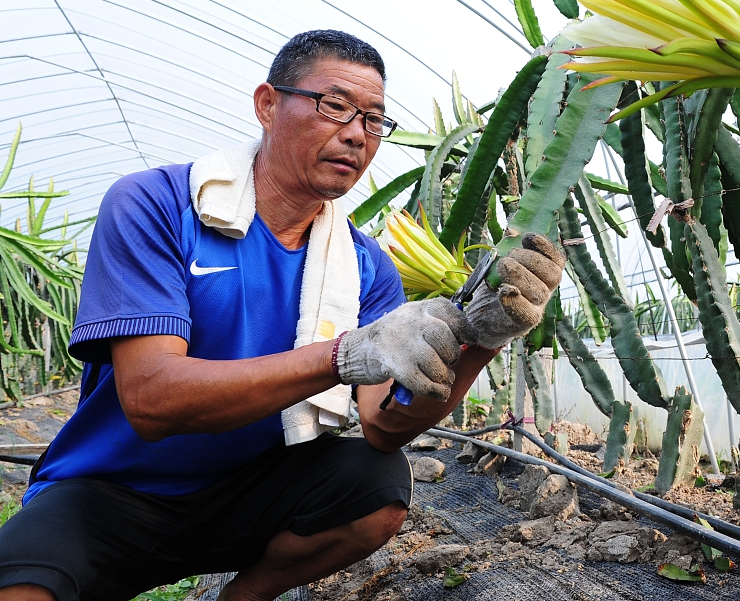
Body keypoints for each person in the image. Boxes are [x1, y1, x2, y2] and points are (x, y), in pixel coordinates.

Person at [0, 30, 564, 601]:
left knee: (378, 482)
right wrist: (346, 355)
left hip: (249, 491)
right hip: (110, 491)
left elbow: (385, 423)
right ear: (268, 105)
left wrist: (482, 339)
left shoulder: (365, 265)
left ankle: (241, 598)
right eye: (335, 106)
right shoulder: (157, 204)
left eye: (373, 120)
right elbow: (151, 399)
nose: (355, 135)